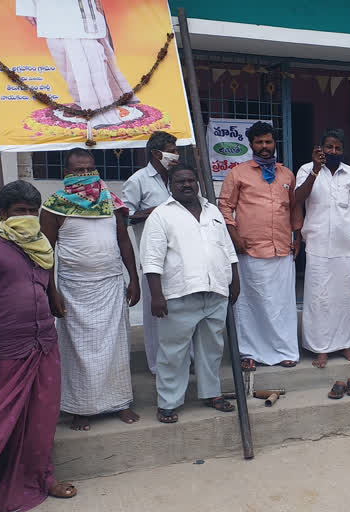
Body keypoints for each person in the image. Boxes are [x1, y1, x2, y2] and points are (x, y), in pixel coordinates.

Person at [0, 182, 77, 511]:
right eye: (20, 211)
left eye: (33, 211)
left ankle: (41, 477)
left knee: (41, 419)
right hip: (5, 349)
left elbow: (45, 279)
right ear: (3, 214)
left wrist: (54, 293)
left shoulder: (40, 244)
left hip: (44, 343)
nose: (29, 217)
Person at [40, 148, 140, 431]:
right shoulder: (54, 206)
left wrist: (133, 278)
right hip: (74, 288)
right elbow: (46, 252)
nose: (84, 175)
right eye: (77, 171)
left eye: (89, 169)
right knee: (78, 351)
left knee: (116, 347)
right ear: (66, 174)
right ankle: (80, 408)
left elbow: (123, 242)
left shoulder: (111, 202)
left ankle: (119, 402)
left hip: (110, 285)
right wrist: (52, 290)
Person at [140, 164, 239, 423]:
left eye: (191, 180)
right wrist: (156, 295)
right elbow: (151, 259)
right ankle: (168, 402)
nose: (186, 185)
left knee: (212, 348)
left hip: (215, 290)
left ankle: (211, 393)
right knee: (174, 352)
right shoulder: (161, 215)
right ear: (169, 186)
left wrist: (235, 281)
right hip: (179, 294)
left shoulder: (212, 211)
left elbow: (227, 250)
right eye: (179, 181)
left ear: (198, 183)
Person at [218, 121, 302, 371]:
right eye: (259, 142)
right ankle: (249, 352)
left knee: (282, 303)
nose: (264, 147)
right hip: (250, 250)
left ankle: (285, 350)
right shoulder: (238, 173)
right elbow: (224, 207)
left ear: (274, 143)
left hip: (282, 249)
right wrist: (235, 236)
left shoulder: (286, 174)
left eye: (268, 142)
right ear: (251, 144)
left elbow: (295, 206)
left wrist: (297, 236)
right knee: (249, 302)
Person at [294, 128, 350, 368]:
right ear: (320, 149)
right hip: (316, 245)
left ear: (342, 150)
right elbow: (297, 198)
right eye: (329, 147)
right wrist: (315, 170)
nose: (333, 151)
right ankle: (320, 348)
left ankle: (346, 344)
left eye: (337, 148)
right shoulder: (306, 169)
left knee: (346, 299)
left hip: (345, 245)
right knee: (319, 299)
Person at [17, 0, 136, 127]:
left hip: (79, 14)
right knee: (62, 58)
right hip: (48, 11)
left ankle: (102, 114)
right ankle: (81, 102)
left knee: (87, 59)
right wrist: (27, 6)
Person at [121, 131, 178, 374]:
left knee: (180, 313)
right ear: (157, 153)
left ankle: (185, 360)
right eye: (172, 150)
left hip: (181, 256)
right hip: (154, 257)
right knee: (157, 315)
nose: (176, 155)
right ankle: (158, 365)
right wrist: (156, 211)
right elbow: (125, 217)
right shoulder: (138, 180)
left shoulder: (178, 178)